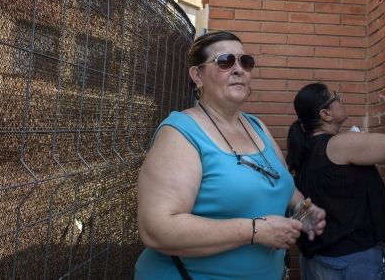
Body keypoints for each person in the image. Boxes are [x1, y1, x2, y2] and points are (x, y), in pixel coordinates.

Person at [134, 31, 326, 279]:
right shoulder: (180, 133)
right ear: (197, 76)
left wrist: (301, 209)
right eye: (225, 61)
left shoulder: (256, 126)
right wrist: (255, 230)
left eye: (245, 61)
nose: (239, 69)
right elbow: (156, 229)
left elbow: (283, 186)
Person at [286, 83, 385, 280]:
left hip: (318, 259)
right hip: (350, 262)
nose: (340, 97)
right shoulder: (338, 144)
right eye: (335, 96)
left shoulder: (306, 149)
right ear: (325, 114)